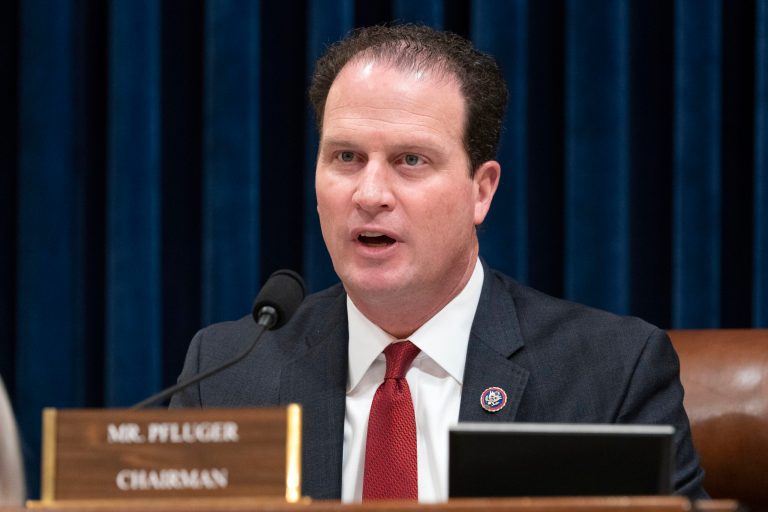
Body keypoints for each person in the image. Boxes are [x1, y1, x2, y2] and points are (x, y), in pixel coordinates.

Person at [171, 24, 706, 502]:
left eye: (411, 160)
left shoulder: (611, 373)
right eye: (346, 158)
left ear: (481, 190)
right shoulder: (227, 375)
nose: (370, 193)